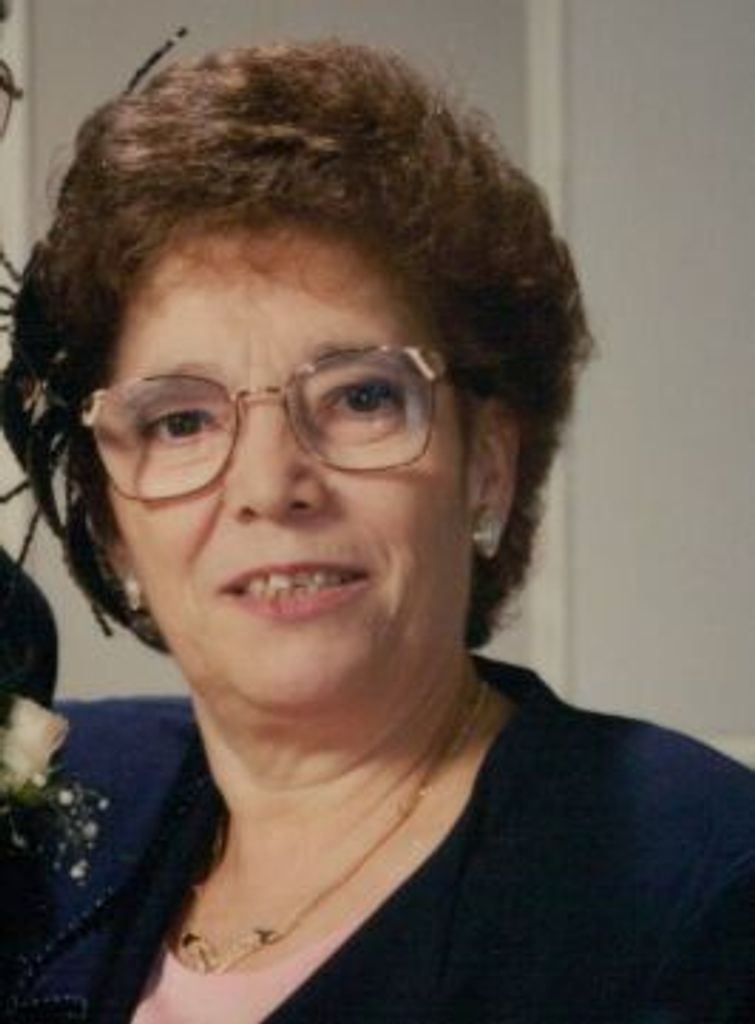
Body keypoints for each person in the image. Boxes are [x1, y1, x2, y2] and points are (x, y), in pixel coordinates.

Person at [0, 40, 753, 1024]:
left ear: (487, 463)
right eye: (180, 420)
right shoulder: (73, 791)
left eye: (360, 396)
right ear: (108, 520)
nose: (270, 486)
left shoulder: (689, 885)